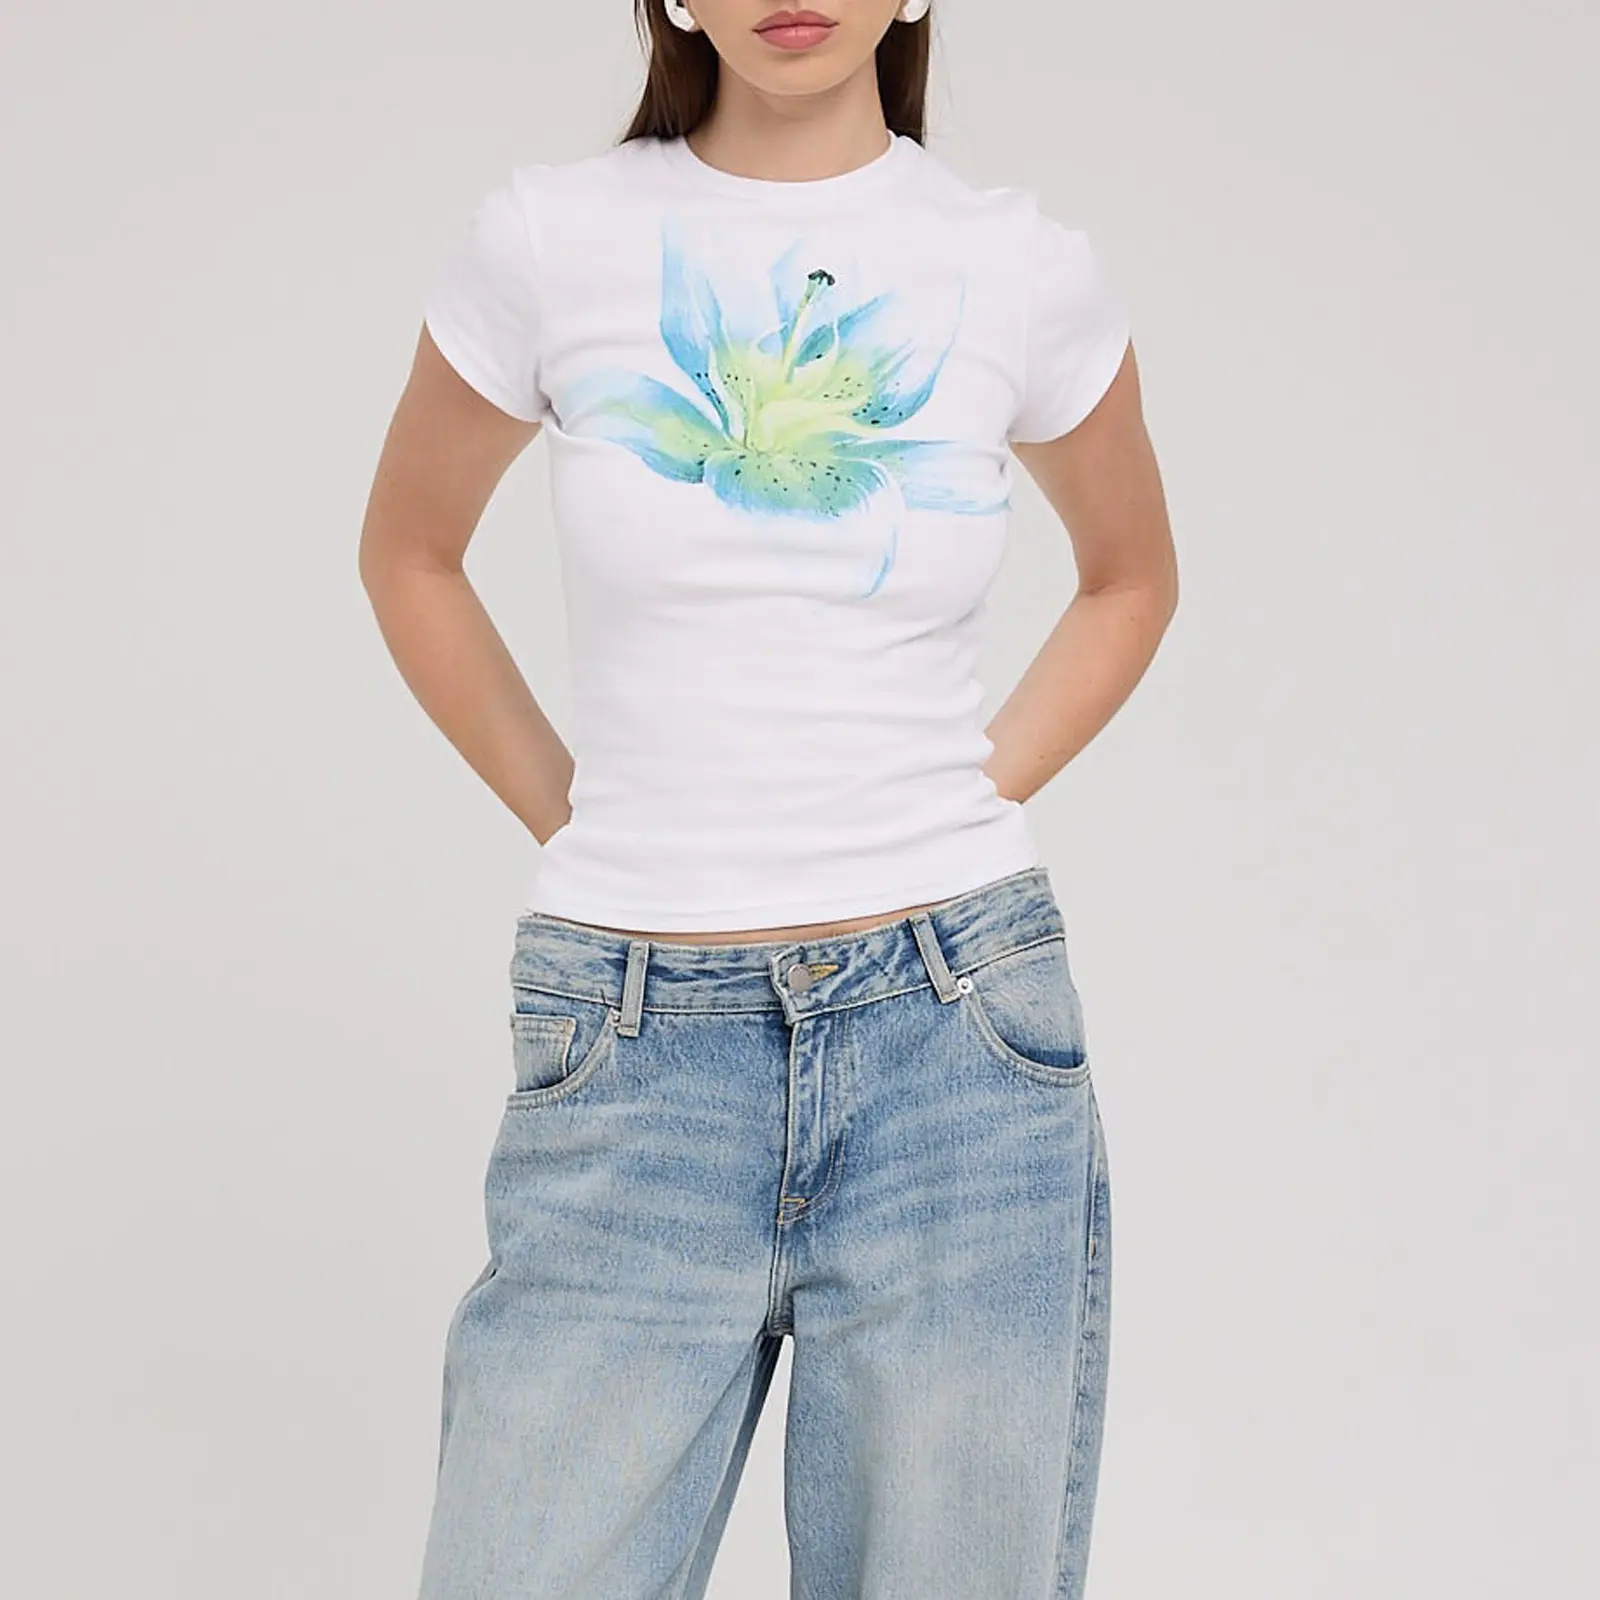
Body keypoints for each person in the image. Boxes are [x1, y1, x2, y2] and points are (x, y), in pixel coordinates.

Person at [358, 3, 1177, 1595]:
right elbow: (409, 554)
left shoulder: (1020, 267)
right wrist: (576, 815)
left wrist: (954, 796)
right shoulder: (551, 240)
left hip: (957, 1050)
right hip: (633, 1044)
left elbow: (1132, 579)